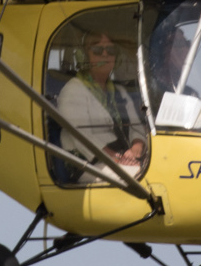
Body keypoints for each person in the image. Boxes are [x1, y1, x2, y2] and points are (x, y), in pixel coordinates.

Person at [56, 31, 148, 182]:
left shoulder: (120, 92)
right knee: (144, 177)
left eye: (110, 50)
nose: (105, 55)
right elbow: (81, 137)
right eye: (98, 50)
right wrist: (116, 158)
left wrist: (135, 149)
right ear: (85, 56)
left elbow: (136, 126)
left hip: (120, 159)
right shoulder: (73, 90)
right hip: (87, 163)